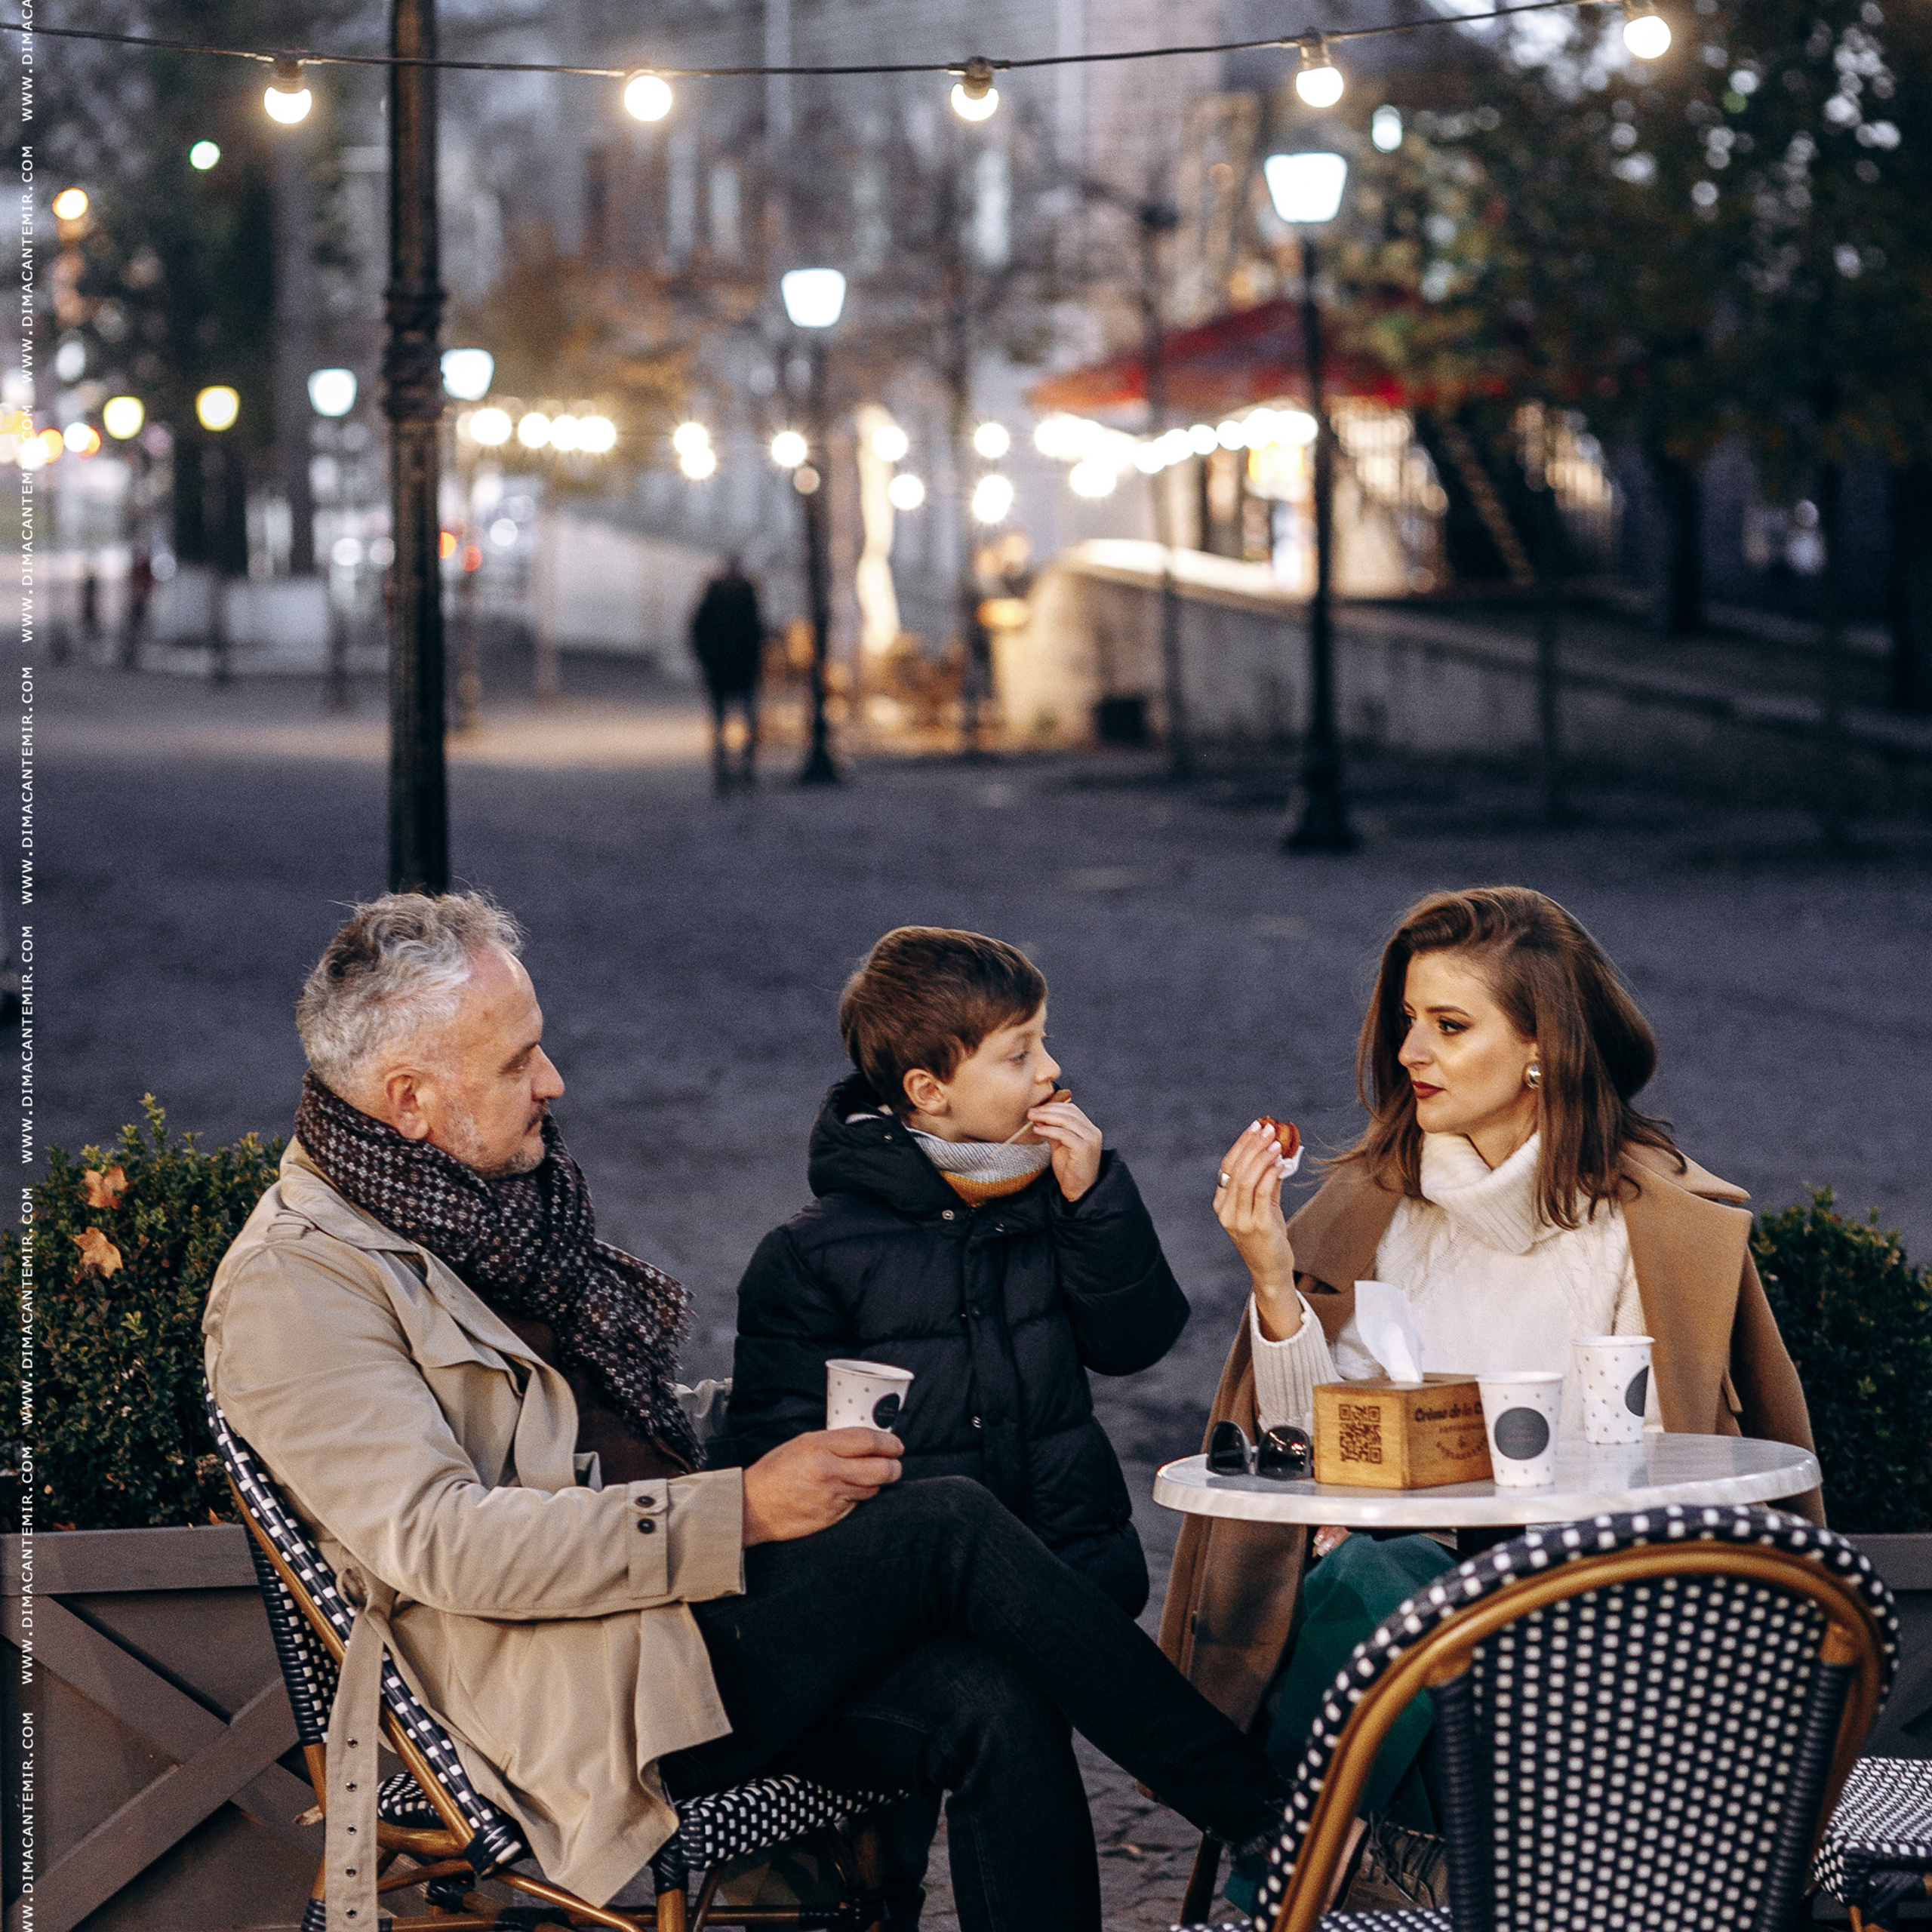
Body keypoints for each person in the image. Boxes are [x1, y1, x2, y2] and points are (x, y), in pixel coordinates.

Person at [205, 894, 1288, 1932]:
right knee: (945, 1524)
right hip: (565, 1697)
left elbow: (578, 1433)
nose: (556, 1080)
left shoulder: (479, 1203)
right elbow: (445, 1546)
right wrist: (742, 1511)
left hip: (669, 1624)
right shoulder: (297, 1288)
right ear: (408, 1099)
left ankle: (1257, 1830)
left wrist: (775, 1420)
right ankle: (1266, 1823)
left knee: (991, 1696)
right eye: (516, 1060)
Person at [1159, 884, 1821, 1912]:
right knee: (1384, 1576)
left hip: (1584, 1607)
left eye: (1450, 1026)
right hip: (1385, 1590)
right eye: (1408, 1021)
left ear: (1543, 1048)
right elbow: (1304, 1446)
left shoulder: (1648, 1224)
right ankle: (1312, 1868)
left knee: (1405, 1596)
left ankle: (1282, 1876)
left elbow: (1667, 1457)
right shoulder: (1369, 1205)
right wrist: (1275, 1280)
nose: (1411, 1051)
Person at [728, 925, 1188, 1619]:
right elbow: (782, 1459)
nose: (1050, 1070)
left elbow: (1134, 1344)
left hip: (1065, 1560)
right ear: (929, 1090)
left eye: (1044, 1041)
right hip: (918, 1600)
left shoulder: (1056, 1195)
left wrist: (1093, 1203)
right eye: (1018, 1054)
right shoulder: (814, 1256)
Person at [689, 556, 764, 793]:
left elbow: (756, 632)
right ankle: (728, 772)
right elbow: (698, 631)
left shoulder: (742, 596)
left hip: (736, 670)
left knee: (741, 722)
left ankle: (740, 771)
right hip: (727, 670)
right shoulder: (735, 596)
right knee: (725, 724)